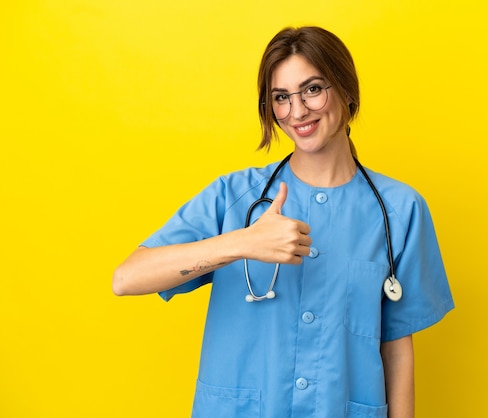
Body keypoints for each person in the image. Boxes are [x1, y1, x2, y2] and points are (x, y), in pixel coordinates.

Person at [113, 26, 454, 418]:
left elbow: (396, 349)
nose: (297, 111)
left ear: (346, 89)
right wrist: (241, 243)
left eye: (312, 89)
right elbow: (126, 278)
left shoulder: (399, 210)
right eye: (281, 97)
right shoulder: (235, 196)